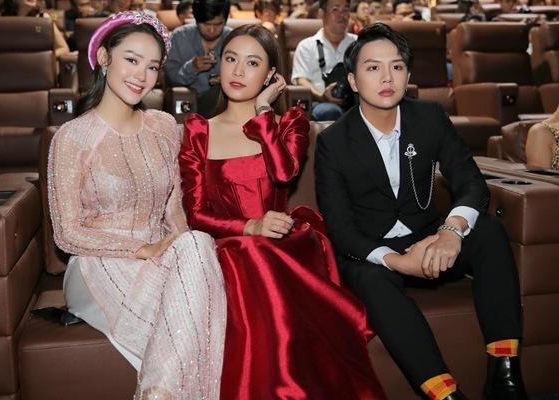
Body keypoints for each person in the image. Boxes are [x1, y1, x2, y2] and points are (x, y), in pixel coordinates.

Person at [315, 23, 529, 400]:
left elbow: (471, 182)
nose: (387, 77)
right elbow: (341, 229)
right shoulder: (333, 141)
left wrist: (451, 231)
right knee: (369, 278)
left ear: (408, 75)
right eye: (373, 68)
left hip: (429, 239)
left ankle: (505, 372)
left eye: (396, 67)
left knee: (488, 233)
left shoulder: (429, 117)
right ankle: (445, 393)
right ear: (352, 80)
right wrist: (398, 261)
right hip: (375, 251)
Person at [178, 24, 386, 400]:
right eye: (231, 59)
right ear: (219, 65)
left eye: (252, 63)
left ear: (271, 76)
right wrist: (249, 227)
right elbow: (195, 214)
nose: (238, 71)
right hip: (229, 246)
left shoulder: (290, 124)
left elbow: (284, 173)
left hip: (285, 244)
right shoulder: (198, 131)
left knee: (258, 255)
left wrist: (263, 114)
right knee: (249, 253)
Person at [47, 12, 226, 399]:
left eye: (153, 67)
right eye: (132, 60)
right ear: (104, 58)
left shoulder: (163, 127)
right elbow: (67, 232)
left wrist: (186, 256)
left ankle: (159, 393)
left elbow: (175, 211)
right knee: (197, 312)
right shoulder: (72, 138)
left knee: (197, 244)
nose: (142, 76)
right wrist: (139, 248)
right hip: (98, 261)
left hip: (160, 255)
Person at [164, 0, 231, 118]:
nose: (211, 30)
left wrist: (226, 80)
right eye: (206, 24)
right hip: (190, 102)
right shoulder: (180, 37)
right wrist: (192, 68)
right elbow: (171, 79)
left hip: (224, 103)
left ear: (225, 20)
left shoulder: (233, 38)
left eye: (218, 24)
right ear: (196, 19)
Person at [291, 0, 357, 121]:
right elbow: (301, 80)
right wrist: (321, 96)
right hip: (321, 103)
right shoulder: (307, 46)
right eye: (335, 9)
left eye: (346, 9)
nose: (342, 15)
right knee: (330, 111)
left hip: (356, 100)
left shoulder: (358, 43)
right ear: (322, 13)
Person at [0, 0, 70, 57]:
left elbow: (64, 49)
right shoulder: (0, 20)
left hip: (36, 68)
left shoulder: (43, 19)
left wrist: (43, 57)